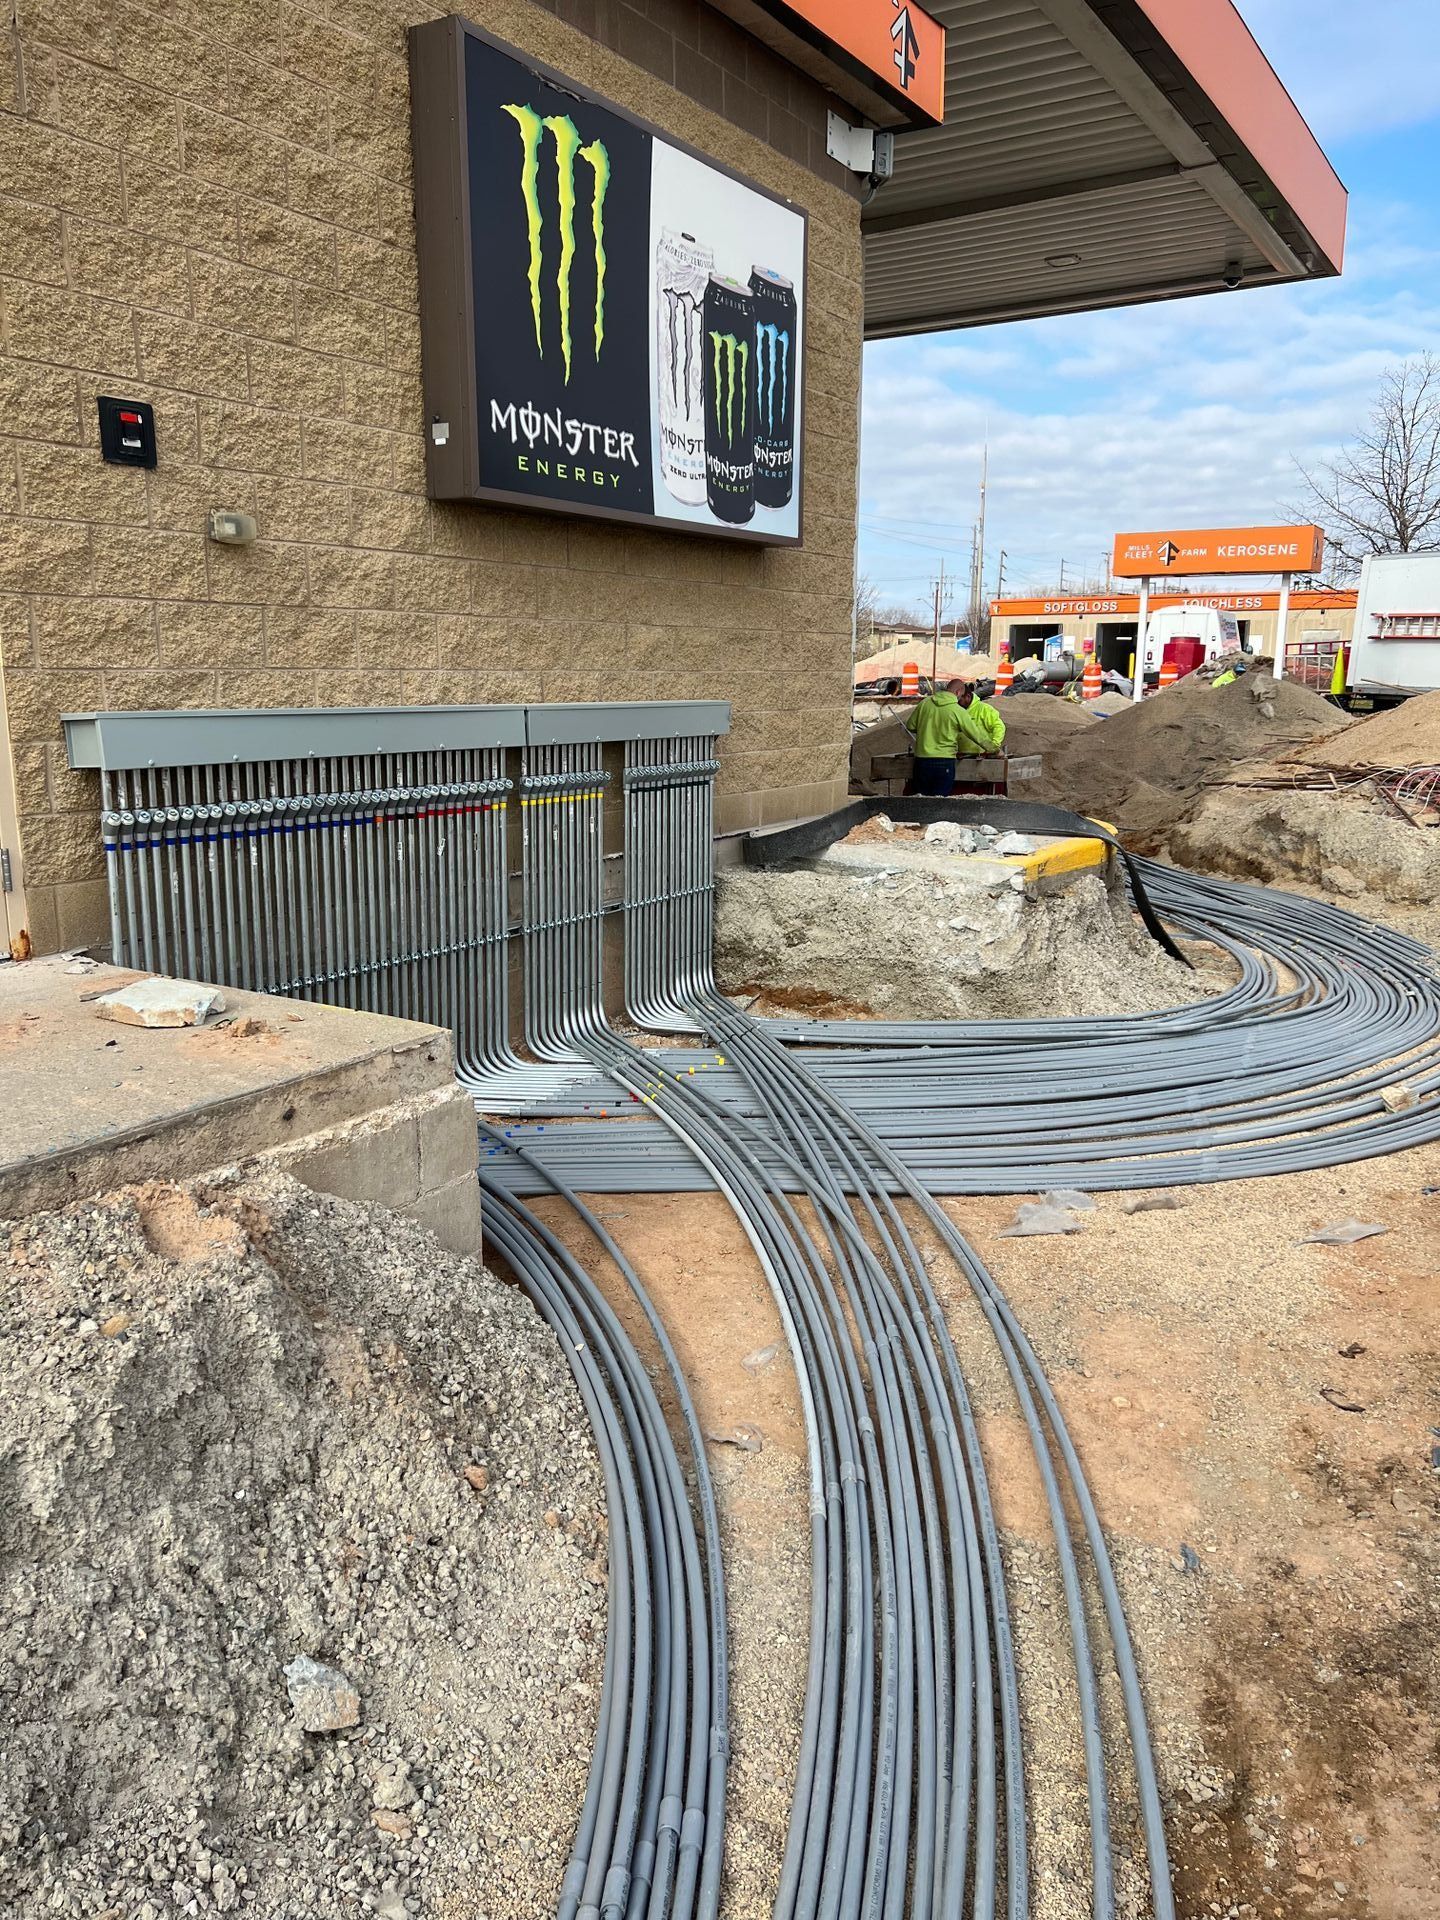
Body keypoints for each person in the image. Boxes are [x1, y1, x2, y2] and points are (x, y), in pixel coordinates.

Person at [902, 679, 1007, 795]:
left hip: (921, 761)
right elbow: (977, 736)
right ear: (958, 693)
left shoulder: (924, 704)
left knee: (920, 798)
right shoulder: (957, 711)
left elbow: (910, 726)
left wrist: (928, 728)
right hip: (944, 762)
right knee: (940, 800)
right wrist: (995, 749)